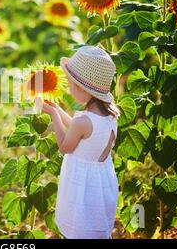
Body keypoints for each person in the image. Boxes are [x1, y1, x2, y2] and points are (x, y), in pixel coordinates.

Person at [37, 45, 121, 239]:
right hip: (102, 183)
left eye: (71, 84)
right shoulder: (109, 114)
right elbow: (79, 130)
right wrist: (58, 109)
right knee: (96, 229)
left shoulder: (83, 121)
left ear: (83, 89)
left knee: (80, 230)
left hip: (82, 188)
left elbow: (65, 147)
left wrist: (53, 116)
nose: (68, 88)